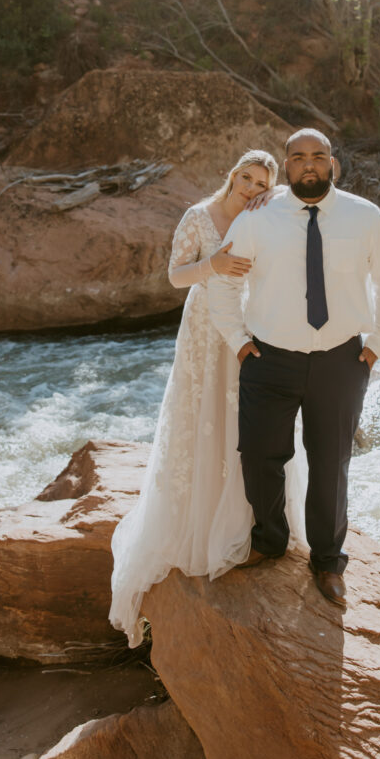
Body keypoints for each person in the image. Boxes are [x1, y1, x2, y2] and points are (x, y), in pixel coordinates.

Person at [109, 149, 306, 648]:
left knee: (247, 424)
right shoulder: (199, 216)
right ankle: (198, 522)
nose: (250, 189)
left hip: (250, 324)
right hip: (202, 329)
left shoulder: (266, 213)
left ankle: (250, 521)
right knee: (203, 418)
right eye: (245, 178)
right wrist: (212, 264)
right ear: (231, 174)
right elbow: (175, 276)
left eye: (260, 184)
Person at [208, 129, 380, 608]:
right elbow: (223, 283)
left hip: (341, 360)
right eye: (298, 158)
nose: (309, 165)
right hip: (268, 358)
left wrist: (377, 345)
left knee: (330, 465)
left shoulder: (365, 217)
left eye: (319, 156)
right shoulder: (259, 218)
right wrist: (238, 343)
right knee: (258, 454)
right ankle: (270, 539)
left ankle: (327, 561)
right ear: (287, 167)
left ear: (333, 164)